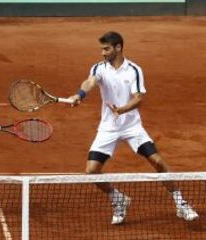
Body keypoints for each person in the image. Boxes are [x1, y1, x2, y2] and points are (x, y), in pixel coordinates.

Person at [68, 31, 199, 225]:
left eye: (106, 48)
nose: (103, 53)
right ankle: (118, 199)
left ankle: (181, 204)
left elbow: (138, 98)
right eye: (101, 49)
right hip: (108, 128)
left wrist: (121, 110)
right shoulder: (99, 68)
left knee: (158, 162)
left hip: (132, 126)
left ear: (118, 47)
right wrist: (80, 94)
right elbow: (90, 82)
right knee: (91, 171)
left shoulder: (134, 70)